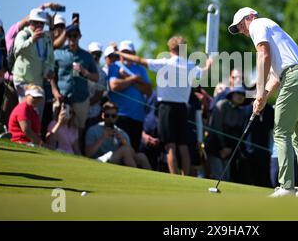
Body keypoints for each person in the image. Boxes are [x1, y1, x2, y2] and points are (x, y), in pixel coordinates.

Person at [228, 7, 298, 197]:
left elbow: (264, 55)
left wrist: (260, 91)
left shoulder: (258, 24)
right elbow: (276, 77)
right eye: (238, 29)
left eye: (241, 25)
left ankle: (286, 187)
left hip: (295, 79)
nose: (243, 31)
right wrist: (261, 97)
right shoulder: (274, 29)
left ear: (250, 17)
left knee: (281, 132)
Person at [116, 36, 213, 176]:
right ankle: (185, 177)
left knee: (170, 146)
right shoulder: (190, 65)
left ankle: (174, 177)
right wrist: (209, 64)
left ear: (170, 48)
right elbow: (204, 72)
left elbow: (139, 60)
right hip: (182, 108)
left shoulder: (164, 63)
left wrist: (120, 54)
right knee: (183, 146)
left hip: (166, 108)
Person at [52, 24, 99, 151]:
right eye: (70, 35)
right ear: (66, 36)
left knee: (80, 128)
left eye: (75, 36)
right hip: (62, 97)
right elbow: (51, 76)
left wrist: (84, 71)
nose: (72, 38)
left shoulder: (86, 56)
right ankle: (53, 149)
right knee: (57, 123)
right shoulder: (57, 54)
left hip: (81, 98)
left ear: (80, 36)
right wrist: (55, 92)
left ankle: (79, 153)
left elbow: (96, 77)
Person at [108, 40, 152, 152]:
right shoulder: (115, 66)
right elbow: (114, 86)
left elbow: (148, 91)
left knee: (134, 150)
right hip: (120, 116)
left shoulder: (140, 69)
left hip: (138, 117)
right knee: (122, 149)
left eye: (129, 52)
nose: (126, 55)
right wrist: (133, 79)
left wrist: (126, 77)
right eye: (124, 52)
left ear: (133, 54)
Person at [12, 8, 55, 117]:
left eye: (42, 23)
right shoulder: (23, 34)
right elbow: (17, 50)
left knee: (37, 114)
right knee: (25, 112)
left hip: (38, 81)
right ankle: (22, 133)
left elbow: (50, 58)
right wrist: (31, 40)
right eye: (36, 22)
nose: (39, 25)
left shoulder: (47, 38)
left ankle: (34, 133)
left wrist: (50, 70)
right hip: (23, 79)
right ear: (30, 22)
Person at [85, 102, 151, 169]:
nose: (110, 118)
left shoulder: (121, 132)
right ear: (102, 116)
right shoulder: (93, 130)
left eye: (113, 116)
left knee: (141, 156)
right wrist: (103, 137)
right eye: (107, 115)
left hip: (116, 159)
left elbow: (132, 153)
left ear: (117, 117)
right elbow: (88, 153)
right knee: (124, 150)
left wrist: (122, 141)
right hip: (100, 160)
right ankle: (137, 175)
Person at [205, 86, 251, 182]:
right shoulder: (221, 105)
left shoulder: (241, 112)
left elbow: (238, 133)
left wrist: (229, 148)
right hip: (215, 147)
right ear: (232, 95)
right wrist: (223, 147)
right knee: (218, 177)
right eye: (238, 94)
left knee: (226, 178)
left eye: (243, 95)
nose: (241, 97)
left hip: (229, 150)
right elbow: (216, 128)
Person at [86, 42, 107, 128]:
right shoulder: (81, 68)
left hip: (94, 115)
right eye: (93, 53)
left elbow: (98, 96)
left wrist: (83, 104)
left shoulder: (102, 74)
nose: (95, 56)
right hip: (78, 112)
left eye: (98, 54)